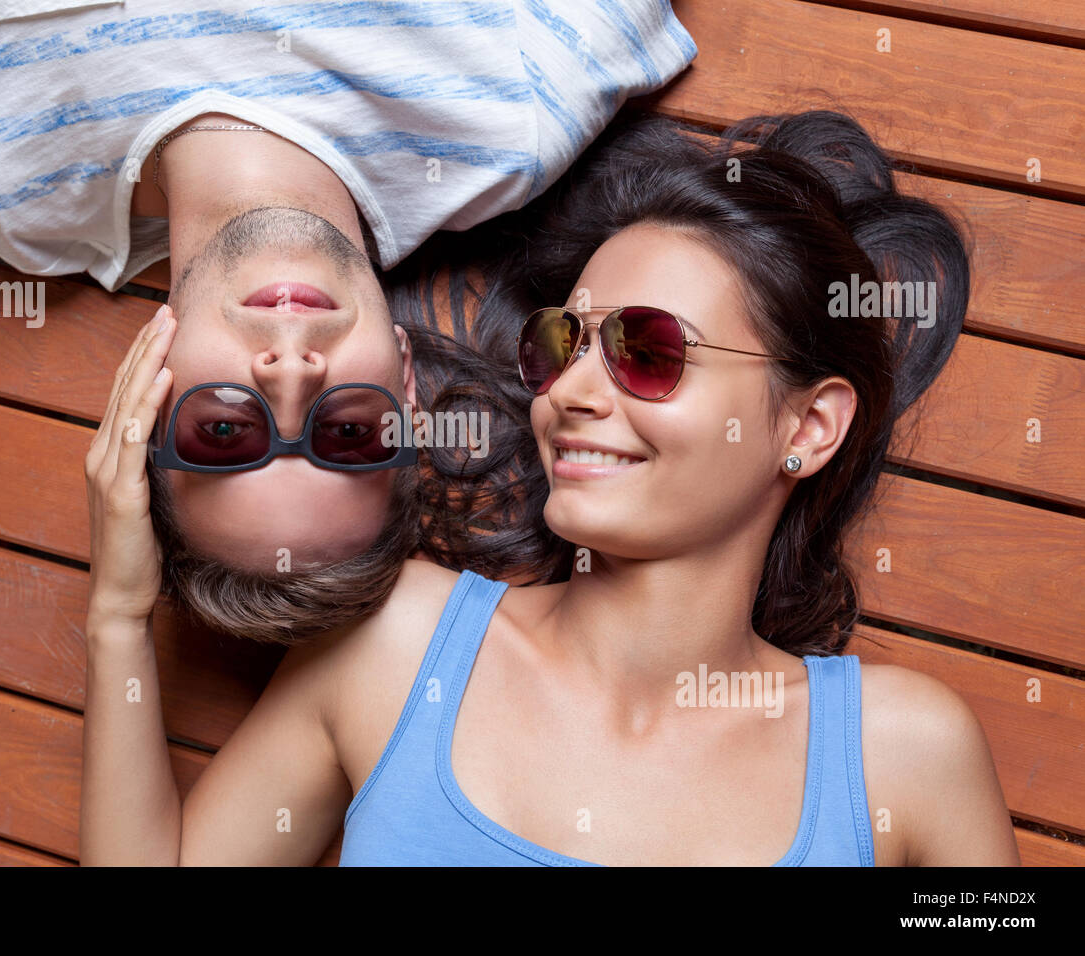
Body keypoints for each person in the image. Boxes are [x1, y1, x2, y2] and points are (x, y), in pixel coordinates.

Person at [80, 108, 1021, 865]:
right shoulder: (397, 647)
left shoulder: (900, 756)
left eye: (648, 352)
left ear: (806, 428)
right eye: (561, 343)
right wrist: (120, 613)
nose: (569, 391)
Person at [0, 0, 698, 639]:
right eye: (349, 433)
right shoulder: (514, 115)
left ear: (143, 398)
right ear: (407, 384)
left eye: (224, 431)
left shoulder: (12, 191)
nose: (290, 375)